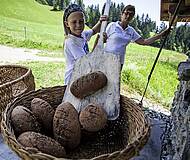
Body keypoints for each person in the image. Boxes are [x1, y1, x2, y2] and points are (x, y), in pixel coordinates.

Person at [104, 5, 169, 69]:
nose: (128, 16)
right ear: (122, 14)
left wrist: (161, 35)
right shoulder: (112, 25)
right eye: (126, 13)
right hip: (107, 57)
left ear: (133, 17)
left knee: (114, 79)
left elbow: (144, 42)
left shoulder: (131, 31)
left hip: (119, 61)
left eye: (131, 15)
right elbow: (103, 40)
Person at [63, 4, 107, 85]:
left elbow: (93, 31)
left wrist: (100, 22)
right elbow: (86, 62)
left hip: (82, 75)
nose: (78, 25)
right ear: (67, 24)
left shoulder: (82, 34)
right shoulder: (71, 42)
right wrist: (98, 42)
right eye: (74, 22)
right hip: (73, 80)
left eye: (81, 21)